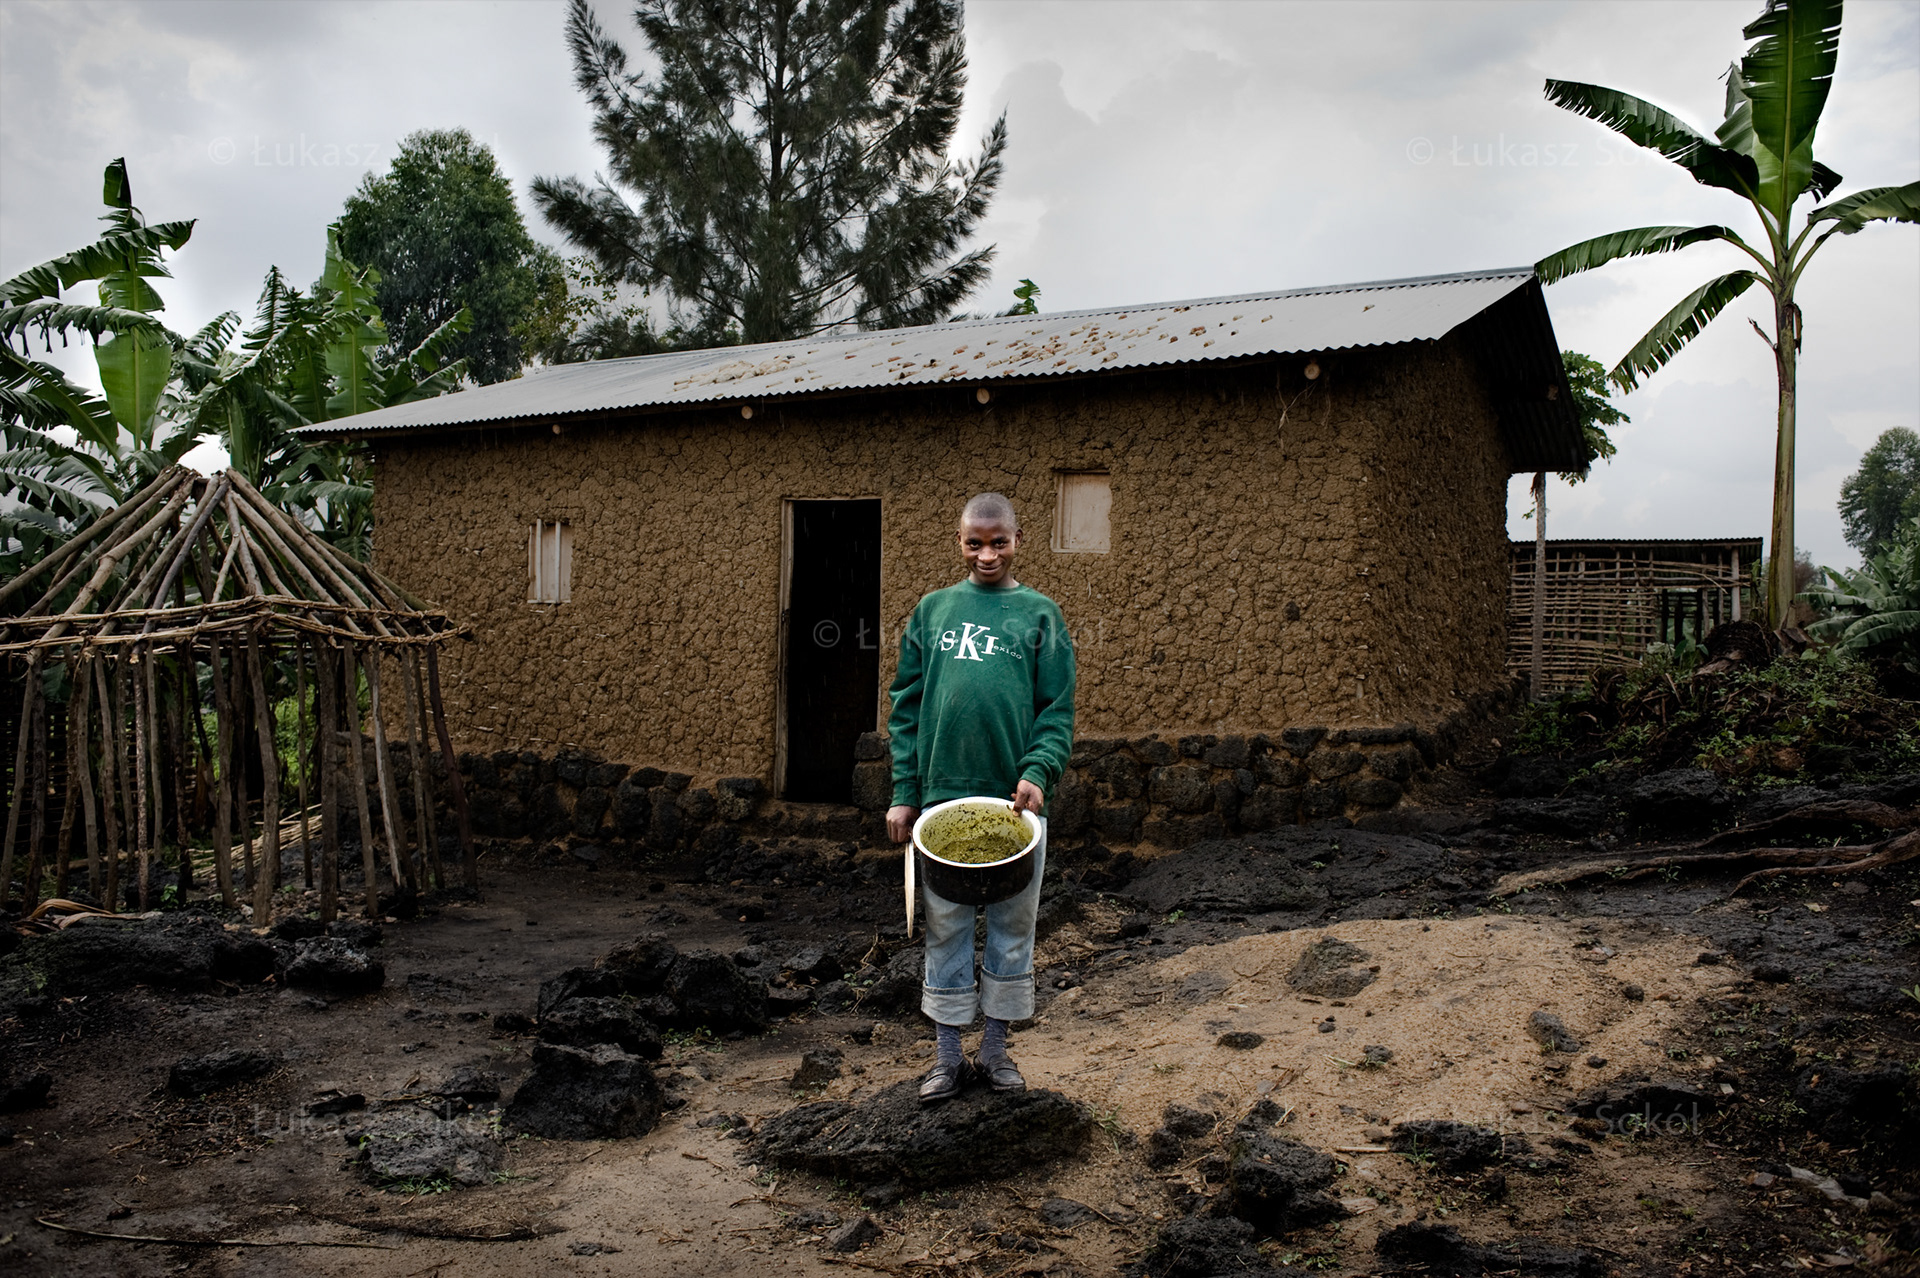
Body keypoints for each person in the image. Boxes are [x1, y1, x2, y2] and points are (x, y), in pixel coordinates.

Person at [886, 492, 1077, 1104]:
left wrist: (1039, 771)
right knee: (943, 928)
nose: (987, 554)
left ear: (1019, 539)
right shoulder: (933, 610)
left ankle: (994, 1052)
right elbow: (906, 708)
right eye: (975, 542)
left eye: (999, 542)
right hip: (941, 799)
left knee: (1012, 926)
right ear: (960, 541)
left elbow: (1057, 711)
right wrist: (903, 794)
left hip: (1014, 804)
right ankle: (945, 1058)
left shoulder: (1041, 614)